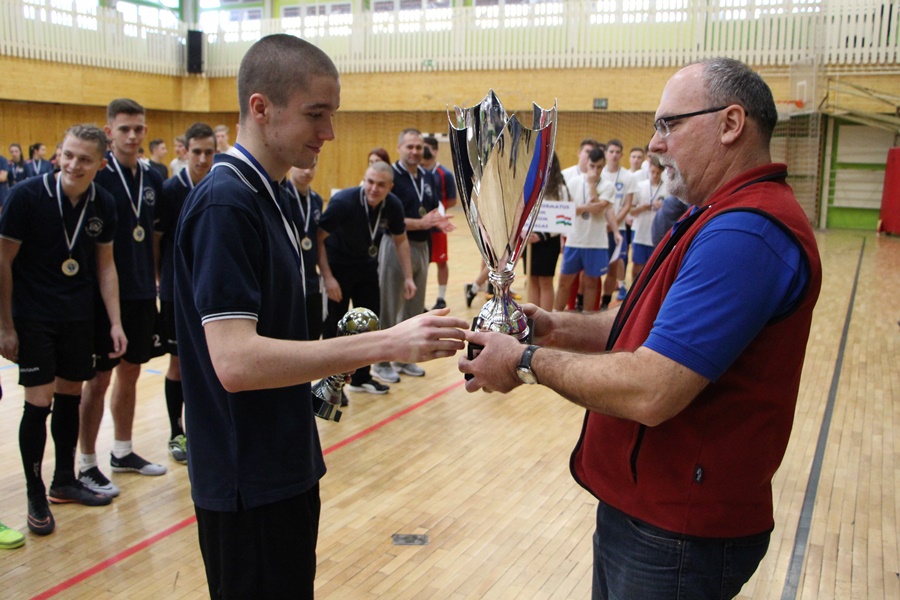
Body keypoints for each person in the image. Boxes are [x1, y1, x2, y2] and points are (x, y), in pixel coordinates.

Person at [459, 57, 822, 599]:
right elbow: (644, 323)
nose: (654, 143)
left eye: (669, 124)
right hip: (650, 513)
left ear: (730, 124)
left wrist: (524, 362)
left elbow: (653, 389)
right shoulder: (714, 215)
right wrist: (553, 327)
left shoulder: (745, 234)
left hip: (678, 530)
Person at [173, 34, 467, 599]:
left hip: (285, 461)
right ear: (261, 107)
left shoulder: (276, 195)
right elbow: (236, 362)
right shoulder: (225, 204)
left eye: (332, 114)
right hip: (246, 477)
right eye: (316, 114)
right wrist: (386, 343)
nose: (329, 132)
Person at [0, 125, 127, 536]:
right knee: (39, 401)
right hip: (33, 315)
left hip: (78, 315)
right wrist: (5, 325)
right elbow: (2, 261)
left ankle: (64, 480)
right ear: (58, 154)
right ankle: (35, 492)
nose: (73, 164)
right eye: (68, 155)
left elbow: (106, 266)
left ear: (101, 164)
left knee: (71, 395)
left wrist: (115, 322)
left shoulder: (103, 203)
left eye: (84, 159)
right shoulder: (25, 196)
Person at [78, 98, 167, 499]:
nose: (133, 136)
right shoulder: (98, 177)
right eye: (124, 129)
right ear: (109, 131)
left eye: (139, 128)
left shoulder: (153, 177)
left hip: (142, 293)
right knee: (98, 379)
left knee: (131, 372)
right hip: (103, 298)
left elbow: (155, 237)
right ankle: (85, 463)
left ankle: (122, 451)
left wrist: (156, 281)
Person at [318, 161, 415, 394]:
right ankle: (331, 384)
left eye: (381, 185)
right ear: (364, 180)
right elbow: (318, 237)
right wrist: (328, 278)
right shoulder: (343, 201)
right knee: (336, 327)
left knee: (368, 324)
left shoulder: (393, 205)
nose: (374, 188)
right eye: (370, 182)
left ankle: (361, 378)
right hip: (337, 268)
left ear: (390, 187)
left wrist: (409, 277)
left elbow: (401, 240)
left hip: (368, 268)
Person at [156, 123, 216, 464]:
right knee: (177, 364)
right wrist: (161, 281)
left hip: (208, 291)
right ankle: (175, 430)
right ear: (185, 151)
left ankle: (203, 430)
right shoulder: (170, 190)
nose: (203, 158)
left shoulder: (219, 185)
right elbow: (156, 242)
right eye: (197, 152)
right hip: (175, 292)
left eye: (209, 152)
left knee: (210, 362)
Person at [373, 128, 452, 382]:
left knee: (415, 307)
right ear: (399, 148)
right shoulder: (390, 176)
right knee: (389, 305)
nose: (415, 151)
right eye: (410, 146)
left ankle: (405, 359)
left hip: (422, 246)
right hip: (396, 245)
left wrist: (438, 221)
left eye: (418, 147)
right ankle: (381, 362)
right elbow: (386, 218)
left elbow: (430, 211)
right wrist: (422, 223)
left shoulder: (428, 176)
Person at [553, 147, 619, 313]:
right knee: (564, 281)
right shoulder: (573, 182)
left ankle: (588, 318)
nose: (595, 171)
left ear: (603, 166)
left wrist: (590, 185)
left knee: (591, 283)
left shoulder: (608, 186)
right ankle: (556, 316)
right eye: (592, 166)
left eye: (599, 167)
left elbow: (598, 208)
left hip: (596, 242)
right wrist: (586, 208)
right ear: (586, 163)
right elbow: (567, 210)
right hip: (574, 240)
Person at [281, 159, 325, 341]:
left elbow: (318, 240)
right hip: (288, 280)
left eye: (312, 166)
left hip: (311, 279)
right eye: (303, 166)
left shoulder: (316, 200)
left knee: (313, 332)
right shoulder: (281, 196)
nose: (307, 171)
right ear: (290, 166)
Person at [524, 152, 567, 311]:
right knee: (532, 279)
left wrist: (541, 236)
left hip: (549, 240)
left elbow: (563, 218)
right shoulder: (528, 185)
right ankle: (533, 317)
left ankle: (545, 318)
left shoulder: (560, 189)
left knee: (545, 281)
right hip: (529, 238)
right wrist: (523, 232)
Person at [599, 139, 637, 309]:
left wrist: (613, 224)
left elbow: (628, 205)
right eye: (611, 152)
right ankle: (586, 302)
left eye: (617, 152)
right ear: (606, 153)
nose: (614, 155)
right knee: (592, 270)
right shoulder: (598, 173)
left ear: (622, 155)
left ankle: (605, 303)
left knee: (612, 268)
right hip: (598, 228)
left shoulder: (628, 177)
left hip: (618, 229)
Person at [421, 135, 457, 310]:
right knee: (421, 264)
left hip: (438, 226)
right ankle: (419, 300)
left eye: (426, 148)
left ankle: (441, 298)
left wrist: (439, 212)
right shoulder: (417, 172)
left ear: (435, 151)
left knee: (441, 261)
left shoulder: (444, 174)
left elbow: (452, 200)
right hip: (421, 225)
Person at [628, 155, 667, 280]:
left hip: (657, 235)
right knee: (637, 266)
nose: (655, 175)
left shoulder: (667, 189)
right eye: (652, 172)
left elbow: (673, 213)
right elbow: (631, 211)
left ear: (662, 171)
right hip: (640, 232)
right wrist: (642, 207)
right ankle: (634, 290)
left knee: (654, 269)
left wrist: (664, 206)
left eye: (658, 173)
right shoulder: (640, 186)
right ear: (649, 169)